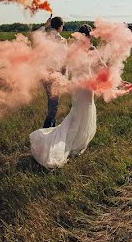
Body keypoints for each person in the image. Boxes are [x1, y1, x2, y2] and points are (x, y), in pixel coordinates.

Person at [29, 25, 98, 168]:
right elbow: (103, 67)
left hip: (79, 84)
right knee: (82, 112)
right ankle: (76, 142)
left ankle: (76, 141)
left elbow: (65, 67)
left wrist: (63, 80)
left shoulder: (73, 49)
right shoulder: (91, 49)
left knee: (78, 112)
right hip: (84, 85)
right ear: (89, 36)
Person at [36, 15, 65, 128]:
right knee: (54, 104)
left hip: (44, 74)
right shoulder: (62, 40)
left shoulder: (45, 36)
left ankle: (51, 127)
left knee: (51, 102)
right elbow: (64, 62)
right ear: (60, 26)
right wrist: (63, 77)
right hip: (55, 74)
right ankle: (47, 129)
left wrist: (45, 25)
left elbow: (35, 35)